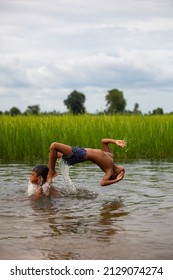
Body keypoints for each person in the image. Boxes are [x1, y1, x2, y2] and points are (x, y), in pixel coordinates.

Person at [47, 138, 126, 186]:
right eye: (123, 172)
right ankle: (46, 175)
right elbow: (103, 142)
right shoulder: (111, 157)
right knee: (52, 155)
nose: (123, 172)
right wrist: (115, 141)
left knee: (54, 146)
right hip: (81, 150)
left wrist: (117, 180)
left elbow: (102, 183)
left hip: (81, 155)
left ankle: (52, 172)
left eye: (122, 173)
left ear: (114, 175)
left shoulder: (109, 171)